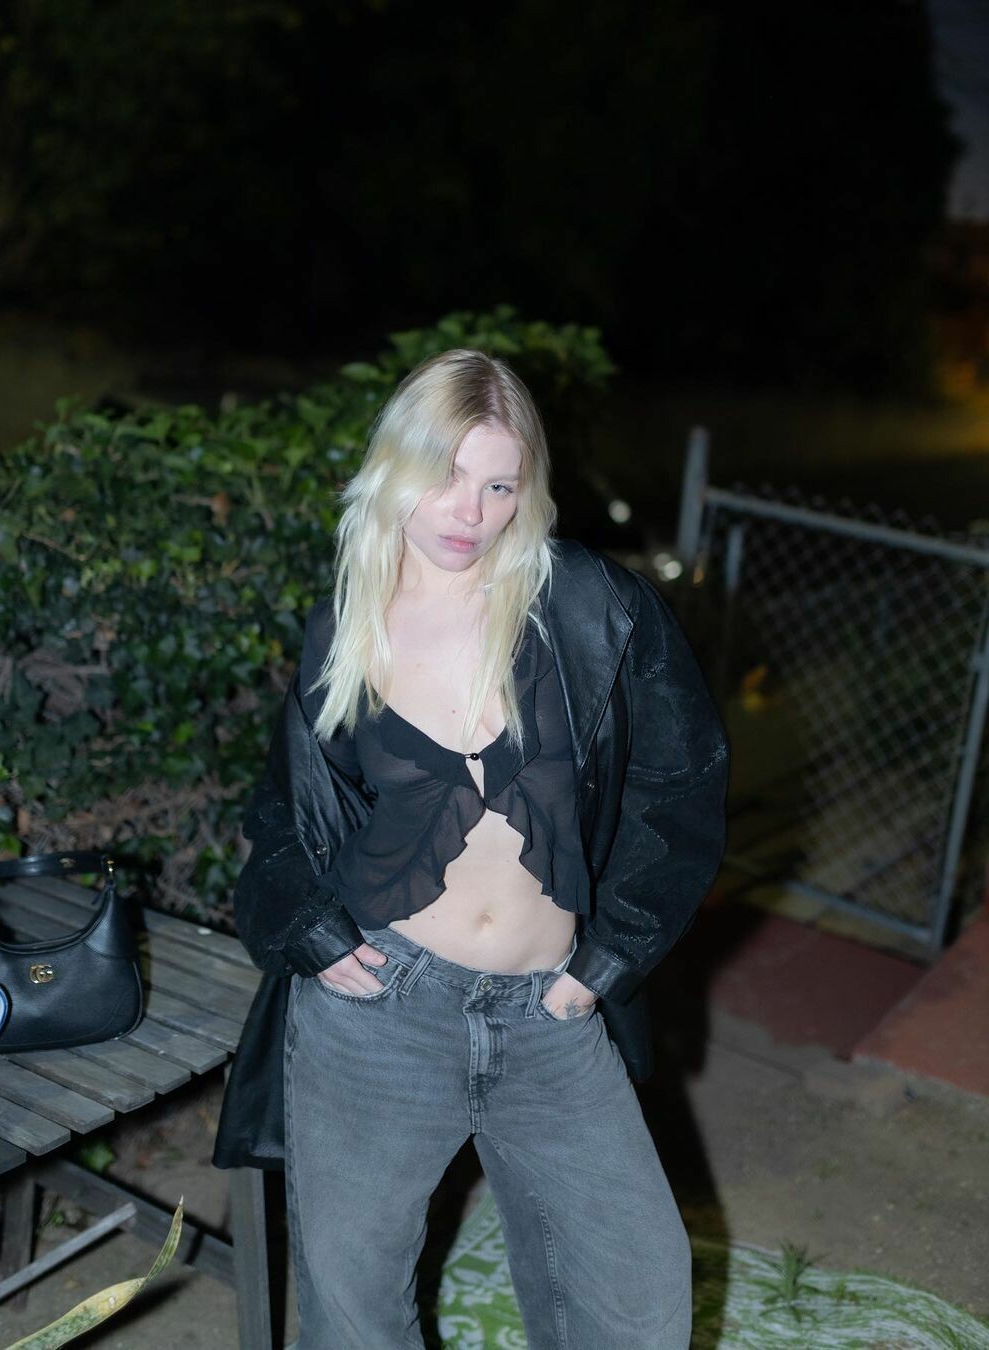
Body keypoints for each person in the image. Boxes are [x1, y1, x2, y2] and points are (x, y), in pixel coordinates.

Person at [212, 348, 730, 1349]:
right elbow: (285, 813)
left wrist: (606, 962)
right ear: (394, 467)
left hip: (548, 1010)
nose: (470, 511)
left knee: (639, 1294)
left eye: (500, 485)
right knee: (355, 1312)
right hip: (381, 1010)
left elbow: (682, 788)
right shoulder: (347, 626)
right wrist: (313, 931)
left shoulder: (592, 608)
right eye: (446, 474)